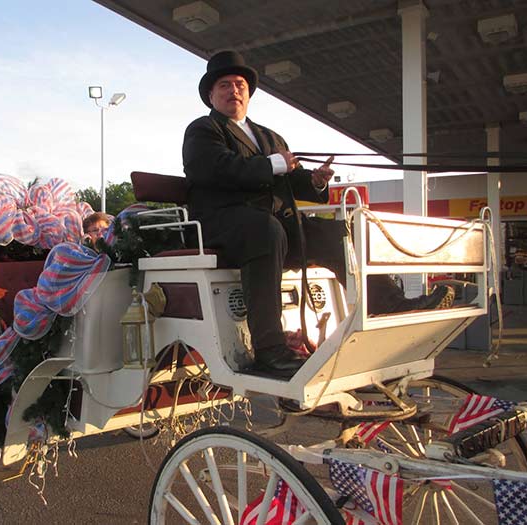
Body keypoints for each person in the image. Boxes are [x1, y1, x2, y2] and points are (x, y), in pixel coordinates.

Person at [183, 50, 455, 378]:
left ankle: (389, 304)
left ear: (249, 93)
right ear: (211, 95)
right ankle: (269, 350)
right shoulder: (203, 129)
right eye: (224, 85)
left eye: (239, 84)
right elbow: (214, 169)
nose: (233, 90)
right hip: (224, 224)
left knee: (337, 231)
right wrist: (273, 164)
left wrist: (314, 181)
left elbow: (291, 179)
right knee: (265, 230)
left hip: (271, 229)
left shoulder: (270, 137)